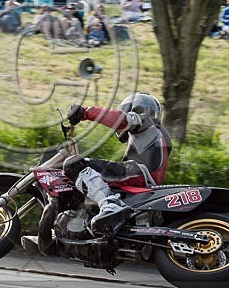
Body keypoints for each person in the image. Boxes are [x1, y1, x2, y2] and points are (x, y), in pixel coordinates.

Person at [63, 93, 172, 231]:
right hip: (141, 176)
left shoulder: (146, 123)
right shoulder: (148, 136)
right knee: (89, 177)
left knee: (74, 165)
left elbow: (121, 120)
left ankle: (110, 204)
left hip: (139, 173)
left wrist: (85, 112)